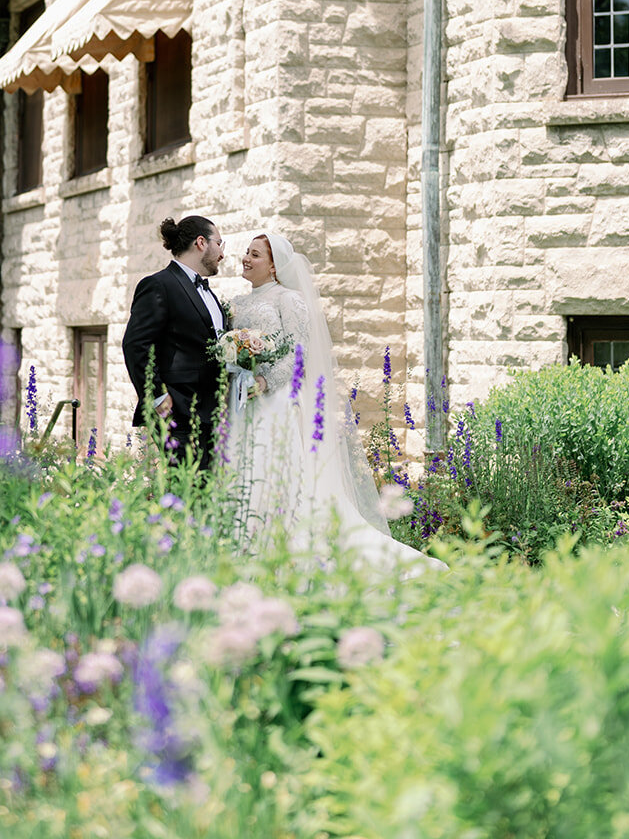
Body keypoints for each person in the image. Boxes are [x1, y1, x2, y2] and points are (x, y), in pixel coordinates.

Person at [227, 231, 444, 573]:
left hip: (275, 399)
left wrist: (267, 380)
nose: (246, 258)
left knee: (275, 468)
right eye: (246, 252)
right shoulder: (236, 303)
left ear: (273, 266)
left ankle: (284, 547)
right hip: (242, 399)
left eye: (255, 254)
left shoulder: (289, 300)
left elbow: (299, 352)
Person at [123, 214, 227, 470]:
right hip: (176, 412)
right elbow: (136, 345)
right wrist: (157, 396)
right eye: (220, 244)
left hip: (210, 413)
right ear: (201, 242)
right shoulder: (159, 285)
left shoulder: (207, 292)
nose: (222, 254)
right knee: (184, 491)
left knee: (204, 494)